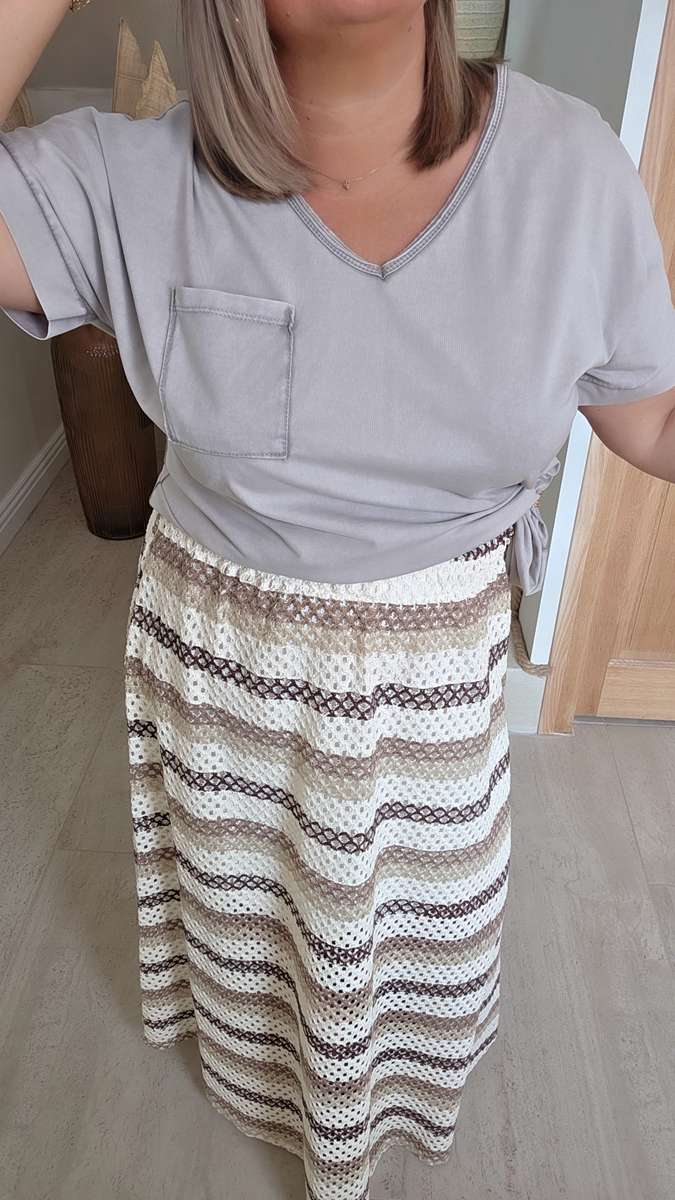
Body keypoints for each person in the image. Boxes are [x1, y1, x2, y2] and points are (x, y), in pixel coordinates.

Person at [1, 3, 674, 1199]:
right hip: (223, 698)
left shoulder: (573, 170)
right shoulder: (125, 179)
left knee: (412, 952)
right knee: (252, 942)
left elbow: (653, 415)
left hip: (433, 711)